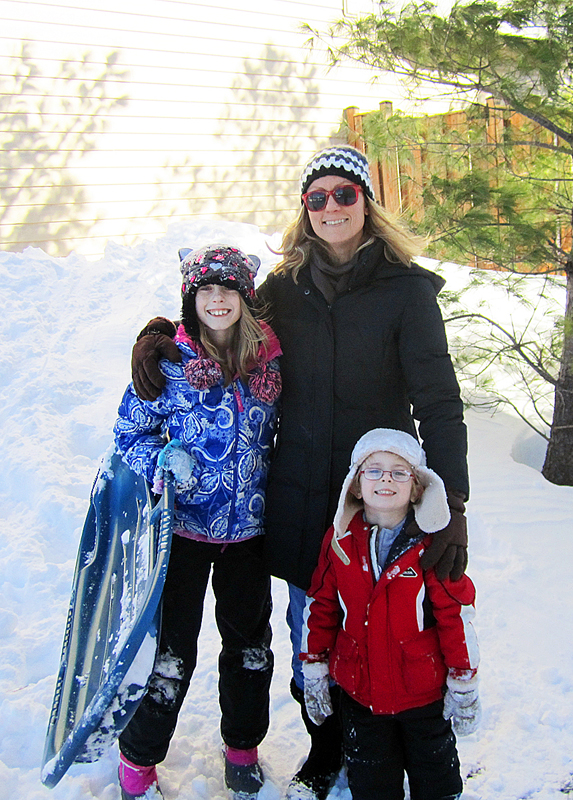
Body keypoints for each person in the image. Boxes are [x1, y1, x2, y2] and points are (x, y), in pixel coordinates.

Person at [130, 146, 470, 800]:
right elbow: (219, 318)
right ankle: (327, 751)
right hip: (296, 497)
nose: (331, 208)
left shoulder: (406, 293)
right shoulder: (284, 290)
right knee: (307, 632)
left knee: (386, 629)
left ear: (366, 204)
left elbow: (438, 403)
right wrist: (158, 334)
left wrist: (451, 501)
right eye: (317, 198)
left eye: (345, 195)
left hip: (379, 499)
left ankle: (387, 747)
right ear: (304, 210)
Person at [113, 245, 281, 800]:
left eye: (227, 288)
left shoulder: (270, 363)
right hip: (179, 535)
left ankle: (242, 749)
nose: (216, 297)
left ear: (244, 298)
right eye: (205, 289)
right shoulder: (166, 364)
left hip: (250, 535)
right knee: (170, 651)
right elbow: (128, 436)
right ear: (191, 299)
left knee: (249, 646)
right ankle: (137, 759)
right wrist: (159, 463)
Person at [300, 428, 480, 800]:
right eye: (374, 470)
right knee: (372, 785)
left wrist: (464, 680)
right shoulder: (339, 539)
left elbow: (455, 616)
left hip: (423, 696)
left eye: (399, 472)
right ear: (355, 483)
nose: (386, 479)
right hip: (360, 695)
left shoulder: (431, 544)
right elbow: (321, 607)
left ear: (416, 487)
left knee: (436, 781)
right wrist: (314, 666)